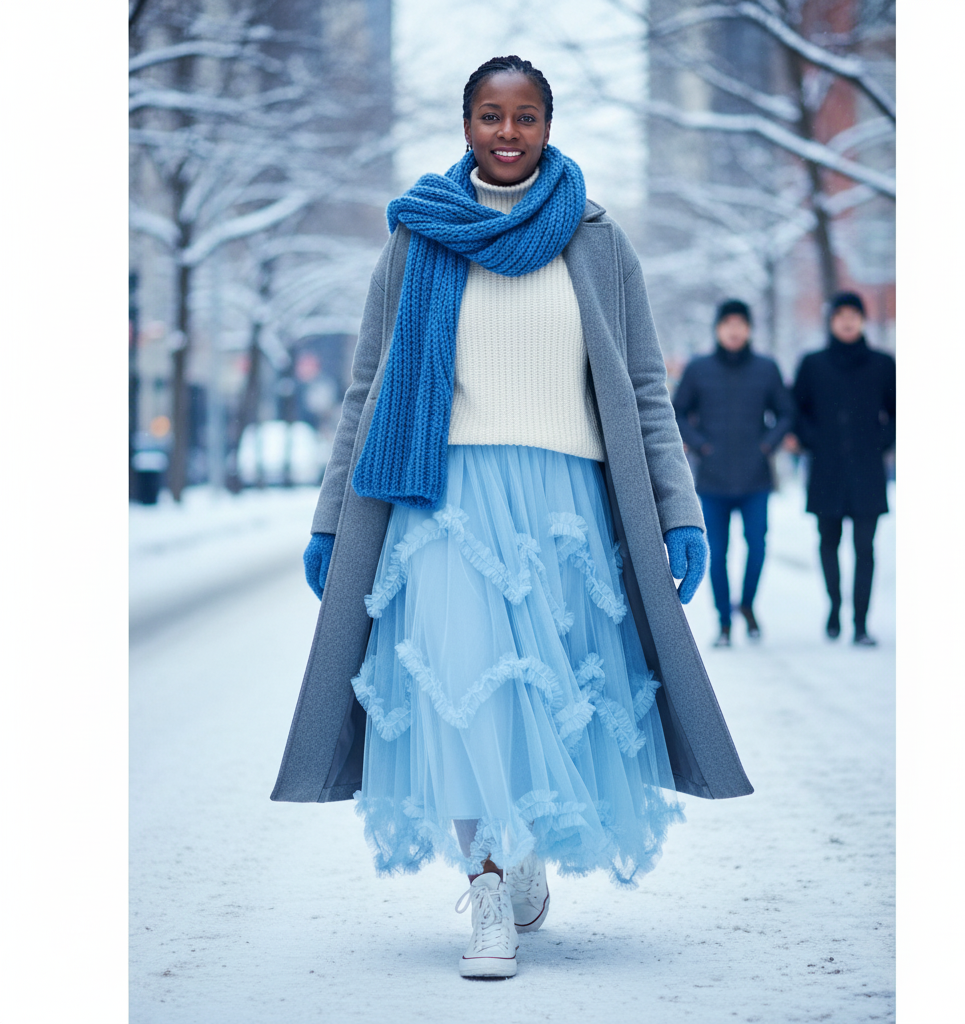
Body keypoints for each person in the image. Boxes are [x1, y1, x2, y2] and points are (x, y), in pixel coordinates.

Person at [271, 56, 752, 981]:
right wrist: (333, 518)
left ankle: (519, 843)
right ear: (466, 126)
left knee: (551, 699)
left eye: (525, 116)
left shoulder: (597, 241)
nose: (507, 131)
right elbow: (369, 386)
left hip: (566, 509)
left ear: (547, 127)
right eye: (490, 115)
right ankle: (486, 887)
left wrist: (678, 510)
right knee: (464, 692)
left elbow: (644, 389)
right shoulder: (417, 238)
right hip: (443, 501)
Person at [672, 299, 793, 647]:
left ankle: (748, 605)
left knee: (757, 546)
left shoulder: (766, 369)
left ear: (750, 329)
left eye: (741, 324)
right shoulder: (699, 369)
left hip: (756, 477)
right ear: (718, 328)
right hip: (713, 479)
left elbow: (786, 413)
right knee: (717, 552)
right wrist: (700, 445)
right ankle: (724, 621)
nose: (735, 330)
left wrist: (767, 445)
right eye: (728, 324)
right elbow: (677, 411)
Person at [792, 291, 896, 646]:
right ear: (831, 321)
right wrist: (813, 440)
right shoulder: (813, 364)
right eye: (841, 316)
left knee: (865, 547)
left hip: (867, 471)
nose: (848, 322)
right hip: (826, 470)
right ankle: (835, 606)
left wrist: (880, 441)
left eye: (854, 315)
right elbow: (797, 410)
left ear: (863, 320)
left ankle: (861, 623)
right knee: (828, 543)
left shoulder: (882, 364)